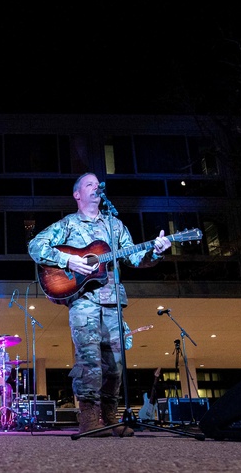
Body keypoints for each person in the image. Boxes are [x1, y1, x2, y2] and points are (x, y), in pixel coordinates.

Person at [28, 172, 171, 436]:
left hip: (113, 302)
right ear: (77, 194)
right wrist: (69, 261)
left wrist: (155, 251)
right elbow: (36, 246)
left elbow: (134, 258)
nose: (96, 187)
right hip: (84, 302)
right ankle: (90, 419)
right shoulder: (68, 224)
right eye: (89, 184)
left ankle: (111, 416)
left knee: (115, 364)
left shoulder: (114, 225)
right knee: (89, 361)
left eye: (98, 184)